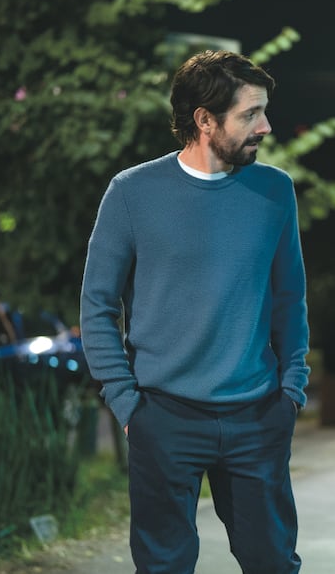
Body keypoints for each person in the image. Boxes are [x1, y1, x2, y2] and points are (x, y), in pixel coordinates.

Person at [80, 50, 309, 574]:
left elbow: (288, 300)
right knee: (164, 566)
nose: (266, 126)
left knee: (272, 561)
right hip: (163, 416)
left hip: (257, 415)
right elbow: (96, 306)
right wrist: (126, 402)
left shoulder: (275, 191)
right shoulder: (132, 193)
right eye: (250, 114)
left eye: (264, 111)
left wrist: (291, 391)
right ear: (204, 120)